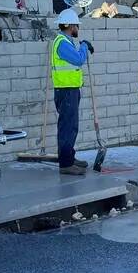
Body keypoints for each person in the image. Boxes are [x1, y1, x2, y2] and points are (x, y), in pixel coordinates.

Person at [50, 9, 94, 175]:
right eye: (76, 25)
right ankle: (66, 164)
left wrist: (82, 47)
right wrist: (84, 46)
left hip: (70, 90)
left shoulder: (65, 41)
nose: (78, 28)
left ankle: (69, 157)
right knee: (67, 127)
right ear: (70, 26)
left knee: (71, 126)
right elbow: (78, 60)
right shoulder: (62, 42)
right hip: (66, 91)